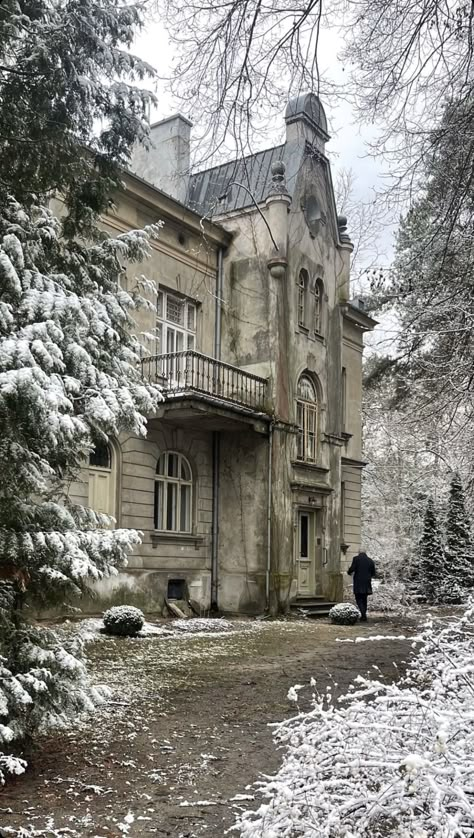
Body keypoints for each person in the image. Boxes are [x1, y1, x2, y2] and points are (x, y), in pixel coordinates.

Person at [347, 550, 376, 621]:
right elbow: (373, 573)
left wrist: (349, 571)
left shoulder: (356, 559)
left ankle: (363, 615)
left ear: (359, 553)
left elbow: (352, 568)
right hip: (367, 582)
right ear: (365, 553)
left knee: (358, 598)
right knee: (364, 599)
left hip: (358, 581)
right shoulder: (370, 560)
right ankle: (364, 615)